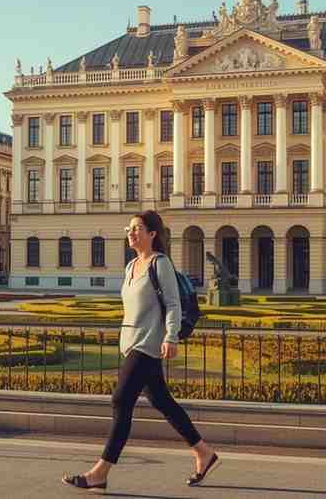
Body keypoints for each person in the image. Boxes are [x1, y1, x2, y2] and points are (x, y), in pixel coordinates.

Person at [63, 211, 219, 492]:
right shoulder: (131, 265)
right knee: (162, 401)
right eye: (129, 229)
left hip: (148, 344)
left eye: (137, 229)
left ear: (152, 234)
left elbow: (173, 304)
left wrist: (171, 337)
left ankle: (99, 473)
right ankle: (203, 452)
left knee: (120, 400)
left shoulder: (160, 264)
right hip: (131, 343)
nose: (131, 233)